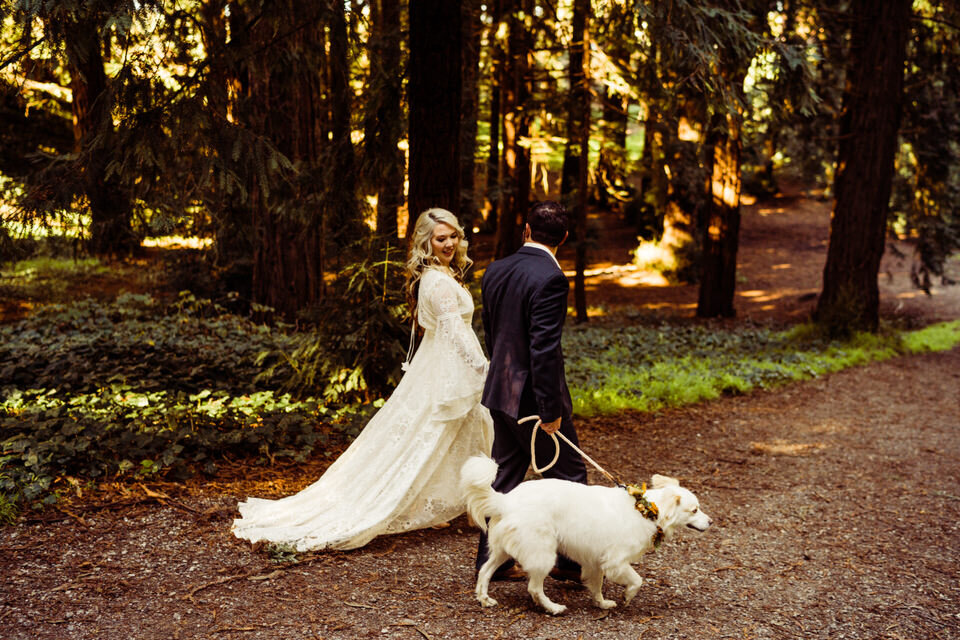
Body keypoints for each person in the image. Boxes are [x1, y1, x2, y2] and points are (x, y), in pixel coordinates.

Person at [232, 208, 493, 551]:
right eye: (440, 238)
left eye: (452, 236)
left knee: (465, 428)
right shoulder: (438, 281)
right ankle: (412, 501)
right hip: (446, 370)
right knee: (425, 437)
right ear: (426, 241)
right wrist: (482, 366)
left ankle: (475, 505)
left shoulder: (444, 272)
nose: (448, 243)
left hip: (440, 366)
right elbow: (455, 332)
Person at [475, 200, 588, 581]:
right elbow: (543, 350)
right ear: (565, 238)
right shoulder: (552, 278)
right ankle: (571, 567)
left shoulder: (496, 269)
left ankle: (491, 560)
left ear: (526, 229)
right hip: (533, 401)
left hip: (500, 390)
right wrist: (550, 409)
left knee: (505, 477)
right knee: (571, 479)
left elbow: (493, 334)